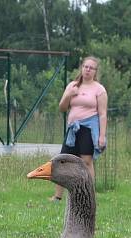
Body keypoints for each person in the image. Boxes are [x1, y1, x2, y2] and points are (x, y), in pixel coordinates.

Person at [52, 56, 107, 201]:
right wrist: (69, 95)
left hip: (88, 129)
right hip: (73, 129)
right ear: (81, 68)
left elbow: (102, 114)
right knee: (62, 160)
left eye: (91, 68)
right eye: (85, 67)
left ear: (95, 71)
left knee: (86, 161)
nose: (88, 70)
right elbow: (62, 108)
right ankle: (57, 196)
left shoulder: (99, 89)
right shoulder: (72, 86)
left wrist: (102, 136)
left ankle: (89, 195)